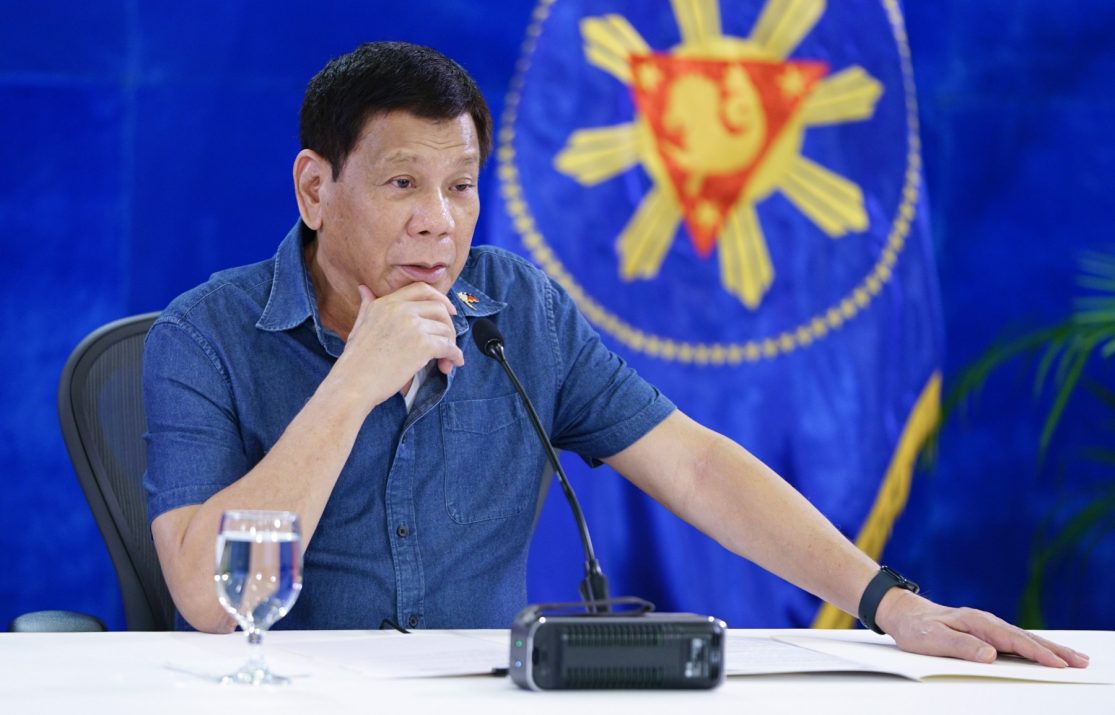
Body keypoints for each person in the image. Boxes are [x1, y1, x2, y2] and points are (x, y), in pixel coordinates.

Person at [143, 41, 1087, 668]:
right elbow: (207, 599)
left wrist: (888, 602)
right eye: (401, 185)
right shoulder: (203, 335)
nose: (438, 221)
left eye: (461, 186)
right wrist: (354, 381)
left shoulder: (518, 308)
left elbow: (695, 466)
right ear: (315, 189)